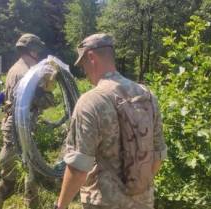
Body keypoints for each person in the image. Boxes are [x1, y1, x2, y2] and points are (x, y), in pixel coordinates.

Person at [55, 33, 168, 209]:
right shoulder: (147, 95)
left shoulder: (91, 101)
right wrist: (136, 188)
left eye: (83, 64)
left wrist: (60, 206)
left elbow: (78, 170)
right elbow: (158, 155)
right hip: (143, 202)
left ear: (91, 57)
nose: (84, 72)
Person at [0, 33, 54, 209]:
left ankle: (28, 202)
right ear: (33, 51)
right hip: (19, 127)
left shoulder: (16, 68)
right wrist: (48, 89)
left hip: (15, 124)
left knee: (24, 168)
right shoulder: (28, 74)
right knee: (19, 172)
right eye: (38, 50)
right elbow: (43, 102)